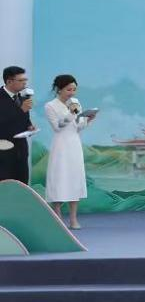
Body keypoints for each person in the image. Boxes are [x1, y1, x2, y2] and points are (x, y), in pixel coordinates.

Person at [44, 74, 96, 229]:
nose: (72, 93)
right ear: (59, 89)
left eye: (74, 89)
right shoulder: (50, 106)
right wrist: (71, 113)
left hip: (74, 144)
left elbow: (79, 126)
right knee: (59, 177)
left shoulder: (76, 102)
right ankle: (57, 214)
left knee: (74, 178)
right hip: (61, 145)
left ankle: (73, 219)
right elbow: (57, 127)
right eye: (68, 89)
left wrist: (88, 119)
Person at [1, 66, 35, 184]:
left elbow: (24, 119)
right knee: (5, 187)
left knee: (22, 186)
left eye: (25, 80)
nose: (24, 83)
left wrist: (29, 126)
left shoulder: (22, 97)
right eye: (21, 80)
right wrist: (21, 110)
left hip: (21, 151)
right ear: (9, 81)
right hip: (4, 152)